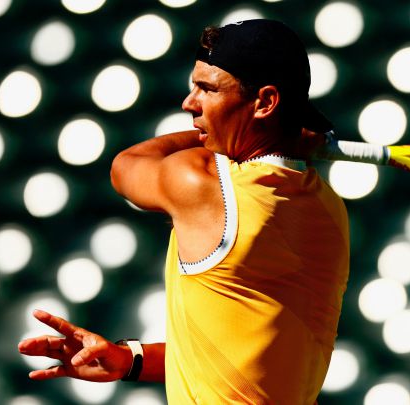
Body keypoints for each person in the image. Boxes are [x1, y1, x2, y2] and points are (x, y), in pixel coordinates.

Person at [18, 19, 350, 404]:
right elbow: (248, 360)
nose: (189, 102)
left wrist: (211, 135)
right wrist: (129, 360)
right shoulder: (329, 210)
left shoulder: (205, 184)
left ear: (264, 103)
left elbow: (125, 166)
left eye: (207, 89)